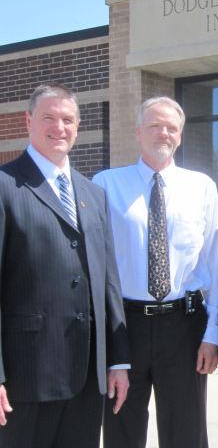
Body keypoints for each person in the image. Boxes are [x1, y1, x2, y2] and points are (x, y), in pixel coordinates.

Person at [0, 83, 130, 448]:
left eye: (68, 120)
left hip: (87, 377)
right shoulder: (5, 186)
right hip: (26, 377)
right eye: (49, 118)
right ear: (29, 121)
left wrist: (119, 360)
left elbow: (108, 281)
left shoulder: (94, 194)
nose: (60, 127)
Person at [93, 96, 218, 448]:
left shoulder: (202, 186)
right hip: (125, 326)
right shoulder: (106, 184)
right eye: (154, 125)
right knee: (121, 428)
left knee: (187, 434)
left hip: (184, 325)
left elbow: (216, 264)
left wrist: (212, 333)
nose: (163, 133)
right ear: (138, 132)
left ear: (180, 135)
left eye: (171, 127)